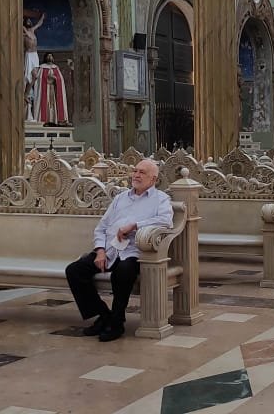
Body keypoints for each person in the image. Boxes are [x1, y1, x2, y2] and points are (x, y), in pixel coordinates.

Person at [66, 159, 172, 342]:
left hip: (135, 252)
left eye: (142, 172)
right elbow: (101, 227)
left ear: (153, 179)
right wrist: (99, 250)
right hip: (109, 249)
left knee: (122, 273)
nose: (136, 175)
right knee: (74, 271)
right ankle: (104, 315)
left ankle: (116, 323)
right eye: (135, 171)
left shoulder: (161, 199)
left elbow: (165, 222)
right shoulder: (120, 198)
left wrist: (134, 226)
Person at [30, 53, 71, 126]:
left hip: (53, 89)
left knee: (53, 104)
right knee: (46, 104)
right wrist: (47, 78)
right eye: (48, 56)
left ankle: (55, 120)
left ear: (53, 58)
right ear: (45, 58)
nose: (50, 57)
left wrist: (56, 79)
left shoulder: (56, 68)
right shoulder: (42, 67)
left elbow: (60, 79)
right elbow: (39, 79)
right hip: (45, 89)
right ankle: (45, 120)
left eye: (51, 56)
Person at [23, 13, 46, 88]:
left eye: (30, 21)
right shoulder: (24, 30)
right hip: (29, 54)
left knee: (35, 76)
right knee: (27, 76)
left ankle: (26, 94)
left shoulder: (32, 30)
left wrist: (42, 17)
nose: (29, 22)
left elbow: (39, 24)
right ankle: (23, 94)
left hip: (35, 54)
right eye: (28, 21)